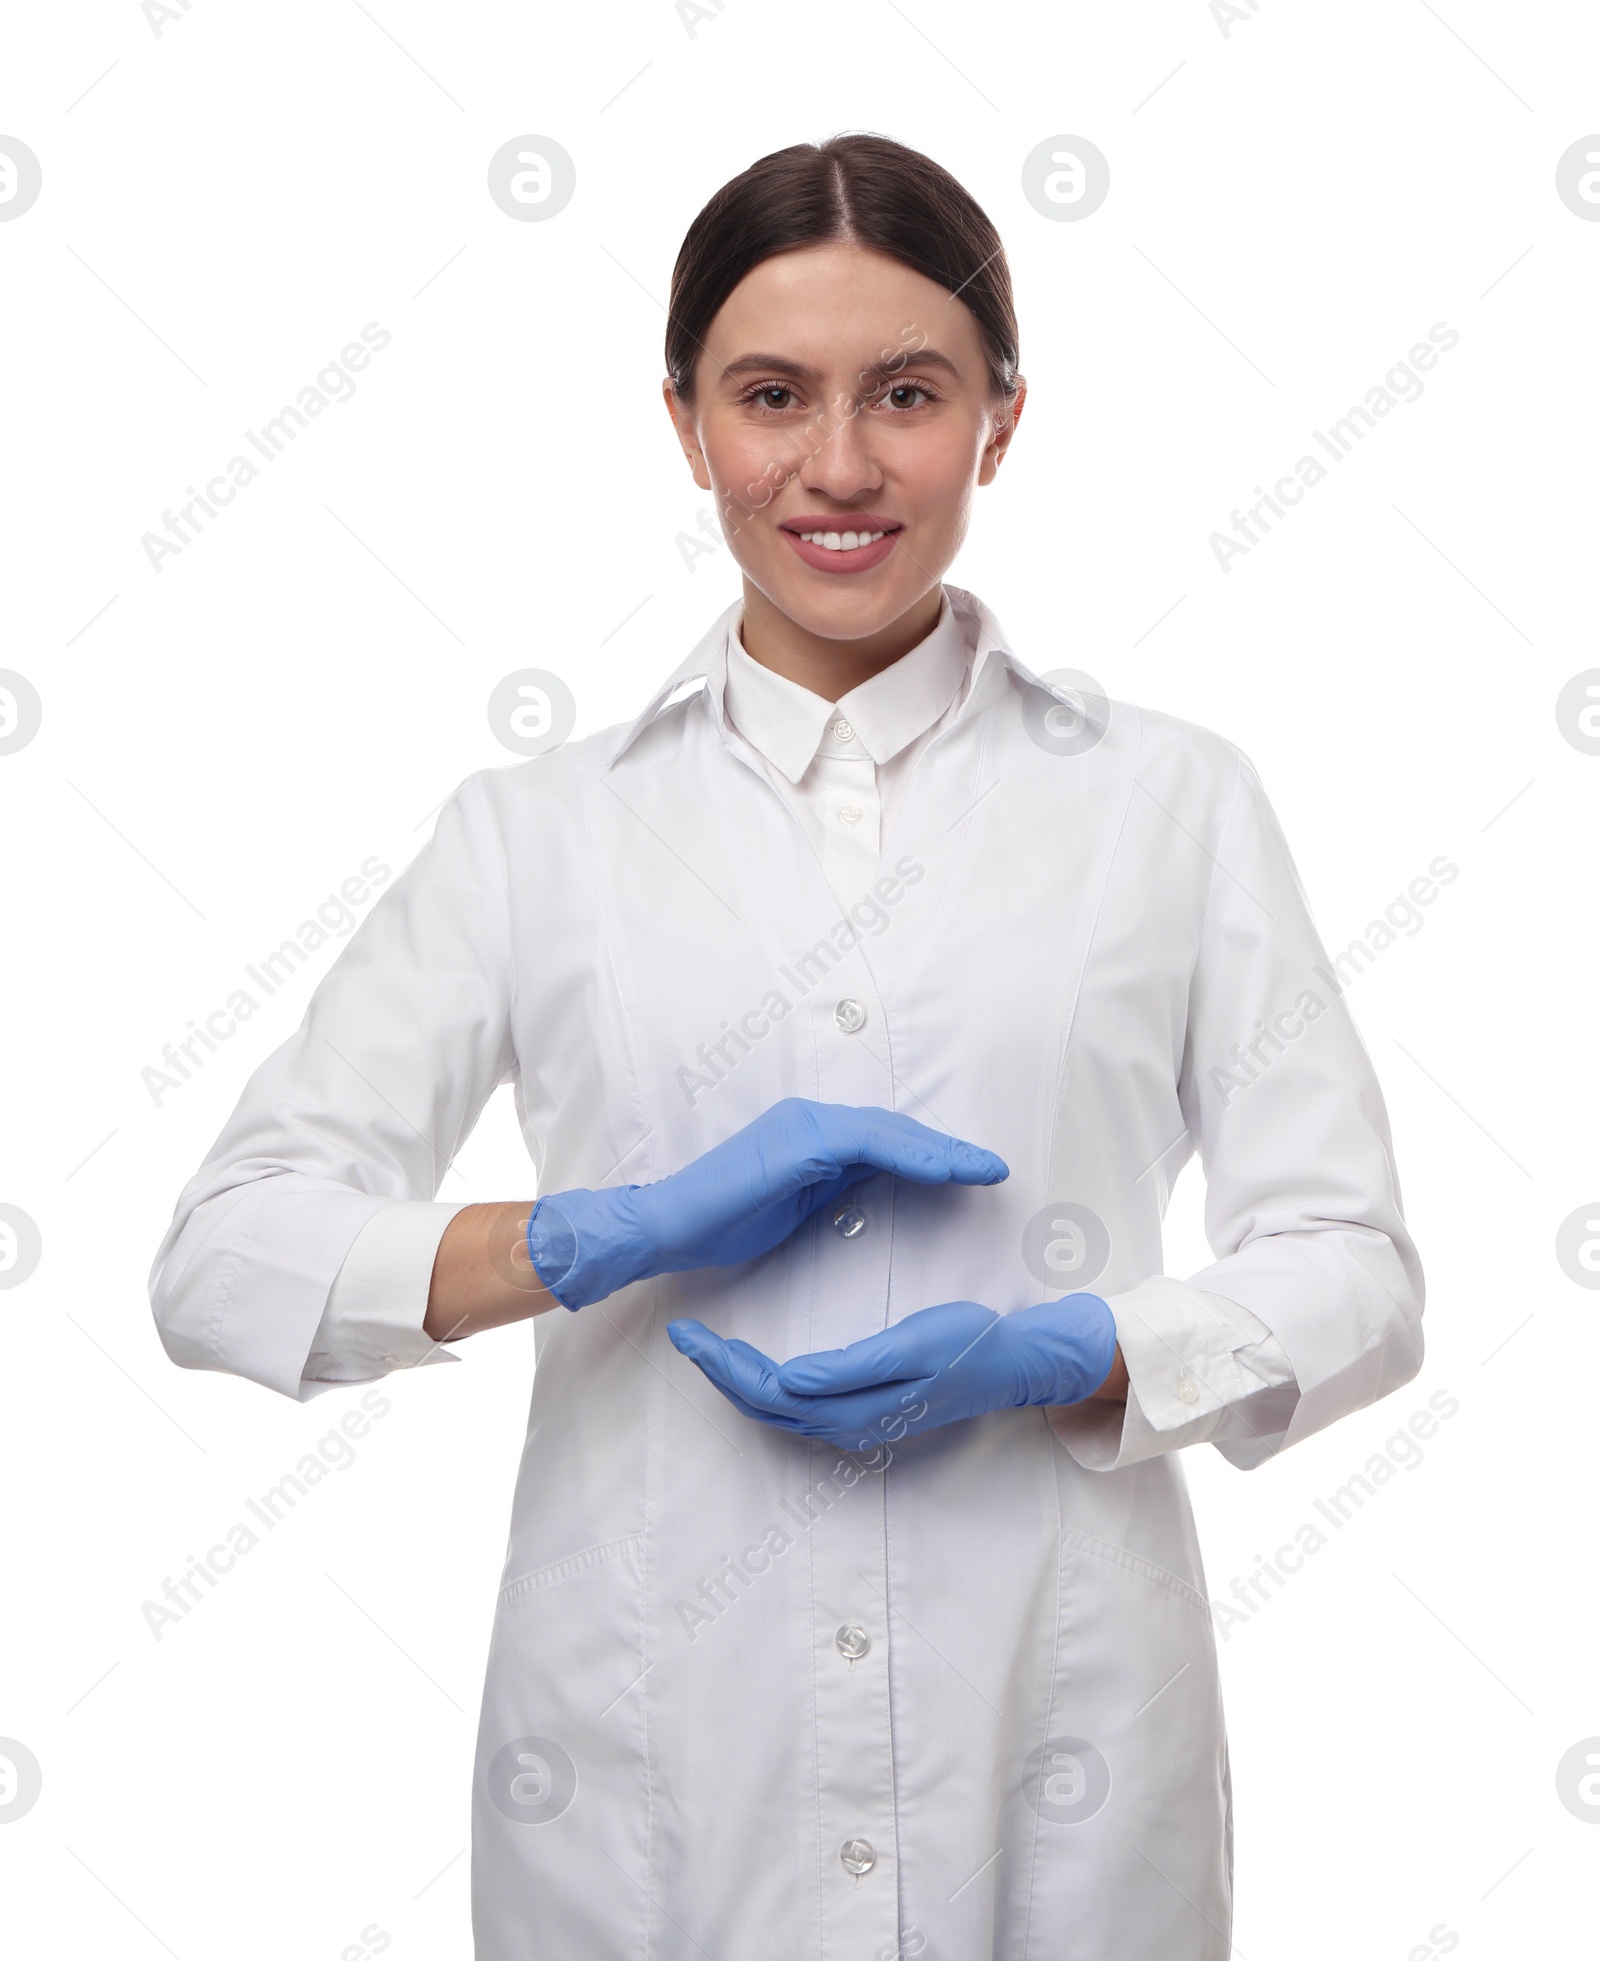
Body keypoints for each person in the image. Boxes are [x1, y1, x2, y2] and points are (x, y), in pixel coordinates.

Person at [149, 132, 1424, 1960]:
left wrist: (1083, 1353)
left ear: (1000, 418)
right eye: (771, 395)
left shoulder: (1170, 806)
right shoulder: (537, 838)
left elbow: (1358, 1267)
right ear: (684, 422)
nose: (837, 465)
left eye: (907, 392)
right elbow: (222, 1254)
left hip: (1056, 1753)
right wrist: (590, 1233)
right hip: (650, 1781)